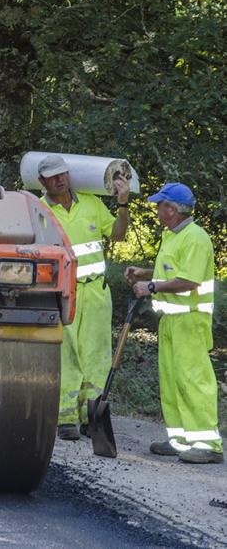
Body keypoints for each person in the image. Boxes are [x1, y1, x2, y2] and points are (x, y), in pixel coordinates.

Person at [125, 182, 221, 464]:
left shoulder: (195, 238)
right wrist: (144, 271)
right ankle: (181, 440)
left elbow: (188, 280)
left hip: (189, 321)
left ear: (172, 209)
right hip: (171, 321)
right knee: (172, 381)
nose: (156, 210)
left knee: (193, 380)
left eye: (159, 205)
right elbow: (171, 270)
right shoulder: (174, 236)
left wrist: (150, 286)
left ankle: (207, 444)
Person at [36, 155, 130, 441]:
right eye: (53, 176)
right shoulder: (39, 210)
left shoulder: (90, 203)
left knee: (97, 356)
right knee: (67, 353)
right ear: (43, 182)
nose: (60, 180)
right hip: (63, 292)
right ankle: (65, 416)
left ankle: (92, 416)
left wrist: (123, 204)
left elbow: (118, 235)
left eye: (62, 174)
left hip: (96, 293)